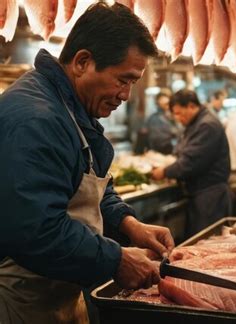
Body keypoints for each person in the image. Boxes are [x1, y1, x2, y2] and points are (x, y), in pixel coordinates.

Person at [0, 4, 175, 323]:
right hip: (15, 303)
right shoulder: (36, 120)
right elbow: (35, 230)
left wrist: (128, 224)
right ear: (82, 62)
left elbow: (89, 183)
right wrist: (116, 259)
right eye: (124, 80)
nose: (126, 95)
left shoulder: (70, 110)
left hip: (53, 298)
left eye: (133, 83)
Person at [151, 89, 231, 236]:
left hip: (210, 197)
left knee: (206, 245)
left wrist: (165, 172)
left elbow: (191, 162)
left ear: (191, 106)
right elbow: (181, 151)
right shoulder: (195, 123)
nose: (177, 118)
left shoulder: (206, 125)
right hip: (200, 194)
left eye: (179, 113)